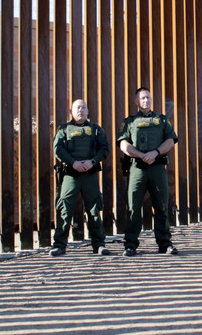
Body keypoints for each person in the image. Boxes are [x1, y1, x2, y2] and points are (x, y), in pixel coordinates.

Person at [118, 87, 179, 256]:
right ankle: (130, 244)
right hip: (137, 168)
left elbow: (171, 140)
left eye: (149, 98)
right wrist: (140, 155)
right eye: (143, 98)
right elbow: (123, 144)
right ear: (136, 101)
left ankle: (165, 243)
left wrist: (155, 152)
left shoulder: (161, 120)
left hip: (157, 167)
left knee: (161, 205)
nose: (146, 100)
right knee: (133, 206)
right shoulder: (129, 122)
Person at [50, 99, 111, 256]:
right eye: (77, 108)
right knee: (64, 209)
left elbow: (104, 149)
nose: (81, 110)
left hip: (90, 175)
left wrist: (92, 161)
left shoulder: (96, 130)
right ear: (71, 111)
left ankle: (99, 244)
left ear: (88, 111)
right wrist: (73, 163)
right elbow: (58, 149)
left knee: (94, 209)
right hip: (71, 174)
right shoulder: (64, 129)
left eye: (84, 107)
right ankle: (59, 245)